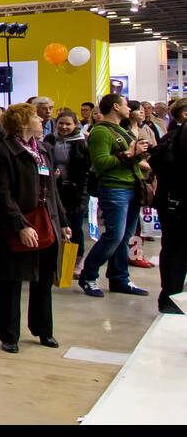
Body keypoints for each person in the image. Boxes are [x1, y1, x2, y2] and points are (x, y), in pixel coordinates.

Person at [0, 103, 71, 353]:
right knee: (12, 280)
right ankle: (9, 335)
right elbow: (2, 194)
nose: (41, 119)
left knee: (44, 279)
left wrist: (62, 221)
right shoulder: (2, 152)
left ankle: (43, 329)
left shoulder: (43, 149)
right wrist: (20, 225)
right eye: (35, 116)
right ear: (23, 123)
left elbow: (52, 191)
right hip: (16, 224)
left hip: (45, 222)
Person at [77, 93, 150, 298]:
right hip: (114, 188)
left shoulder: (123, 131)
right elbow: (100, 164)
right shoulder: (101, 132)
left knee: (124, 238)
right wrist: (130, 155)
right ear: (116, 107)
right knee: (114, 236)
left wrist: (138, 156)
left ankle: (119, 278)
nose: (130, 109)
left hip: (132, 186)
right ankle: (88, 275)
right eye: (126, 105)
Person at [152, 98, 187, 313]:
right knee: (175, 253)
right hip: (177, 205)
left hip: (171, 205)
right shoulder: (175, 138)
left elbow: (156, 163)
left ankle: (170, 298)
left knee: (173, 253)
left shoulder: (170, 137)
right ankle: (171, 297)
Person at [46, 109, 90, 263]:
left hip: (77, 190)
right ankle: (57, 259)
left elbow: (86, 169)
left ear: (76, 124)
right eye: (61, 123)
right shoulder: (50, 139)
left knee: (75, 226)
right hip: (55, 189)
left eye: (68, 124)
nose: (64, 127)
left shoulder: (83, 141)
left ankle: (77, 259)